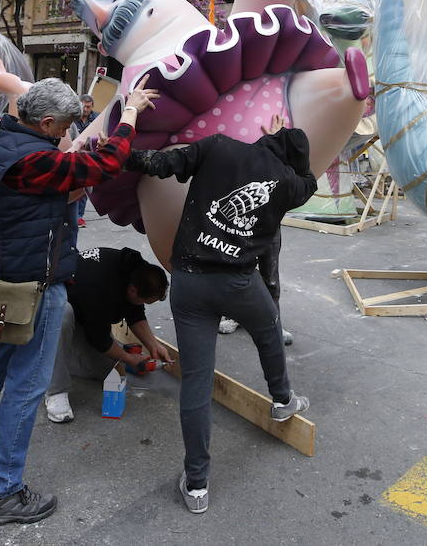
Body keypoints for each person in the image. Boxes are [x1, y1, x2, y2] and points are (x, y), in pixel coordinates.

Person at [0, 76, 157, 529]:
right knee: (26, 386)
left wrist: (69, 184)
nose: (66, 135)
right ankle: (1, 493)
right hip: (34, 285)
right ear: (43, 121)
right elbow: (107, 164)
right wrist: (132, 111)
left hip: (3, 279)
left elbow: (37, 192)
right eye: (63, 128)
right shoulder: (34, 158)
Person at [126, 117, 317, 515]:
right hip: (239, 283)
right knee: (268, 329)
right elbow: (309, 181)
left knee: (196, 382)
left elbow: (161, 165)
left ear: (265, 139)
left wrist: (119, 156)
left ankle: (197, 485)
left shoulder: (219, 146)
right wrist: (296, 159)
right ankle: (282, 400)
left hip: (190, 283)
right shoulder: (289, 184)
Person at [43, 246, 169, 423]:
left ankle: (59, 358)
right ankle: (55, 389)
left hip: (86, 314)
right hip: (51, 312)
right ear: (132, 290)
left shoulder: (136, 271)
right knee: (63, 314)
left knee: (107, 371)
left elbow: (135, 313)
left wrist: (153, 345)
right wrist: (128, 357)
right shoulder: (100, 289)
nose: (144, 304)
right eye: (144, 301)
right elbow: (99, 340)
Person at [67, 94, 97, 228]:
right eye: (83, 106)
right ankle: (74, 216)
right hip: (73, 155)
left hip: (88, 157)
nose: (85, 109)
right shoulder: (72, 119)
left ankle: (79, 216)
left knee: (84, 189)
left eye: (88, 107)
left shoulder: (96, 118)